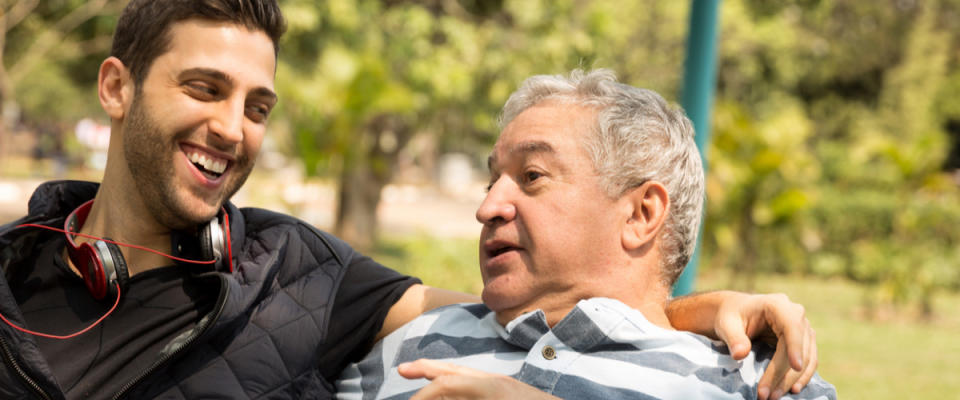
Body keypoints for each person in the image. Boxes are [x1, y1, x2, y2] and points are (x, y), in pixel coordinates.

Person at [0, 2, 815, 399]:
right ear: (117, 87)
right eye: (204, 89)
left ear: (642, 214)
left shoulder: (295, 272)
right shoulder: (430, 337)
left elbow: (579, 313)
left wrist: (696, 309)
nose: (230, 127)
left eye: (256, 106)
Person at [336, 69, 837, 400]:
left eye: (532, 177)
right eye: (492, 181)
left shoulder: (760, 382)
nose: (487, 207)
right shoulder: (412, 339)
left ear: (641, 214)